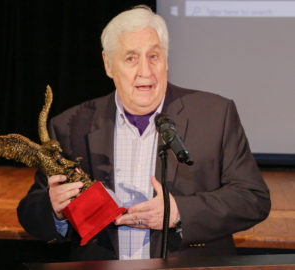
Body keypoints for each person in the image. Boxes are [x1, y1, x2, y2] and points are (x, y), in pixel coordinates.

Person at [17, 6, 271, 261]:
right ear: (108, 64)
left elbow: (252, 199)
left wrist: (178, 212)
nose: (146, 71)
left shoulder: (215, 115)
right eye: (131, 58)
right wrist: (55, 209)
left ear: (166, 60)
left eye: (154, 56)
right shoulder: (71, 125)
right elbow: (31, 212)